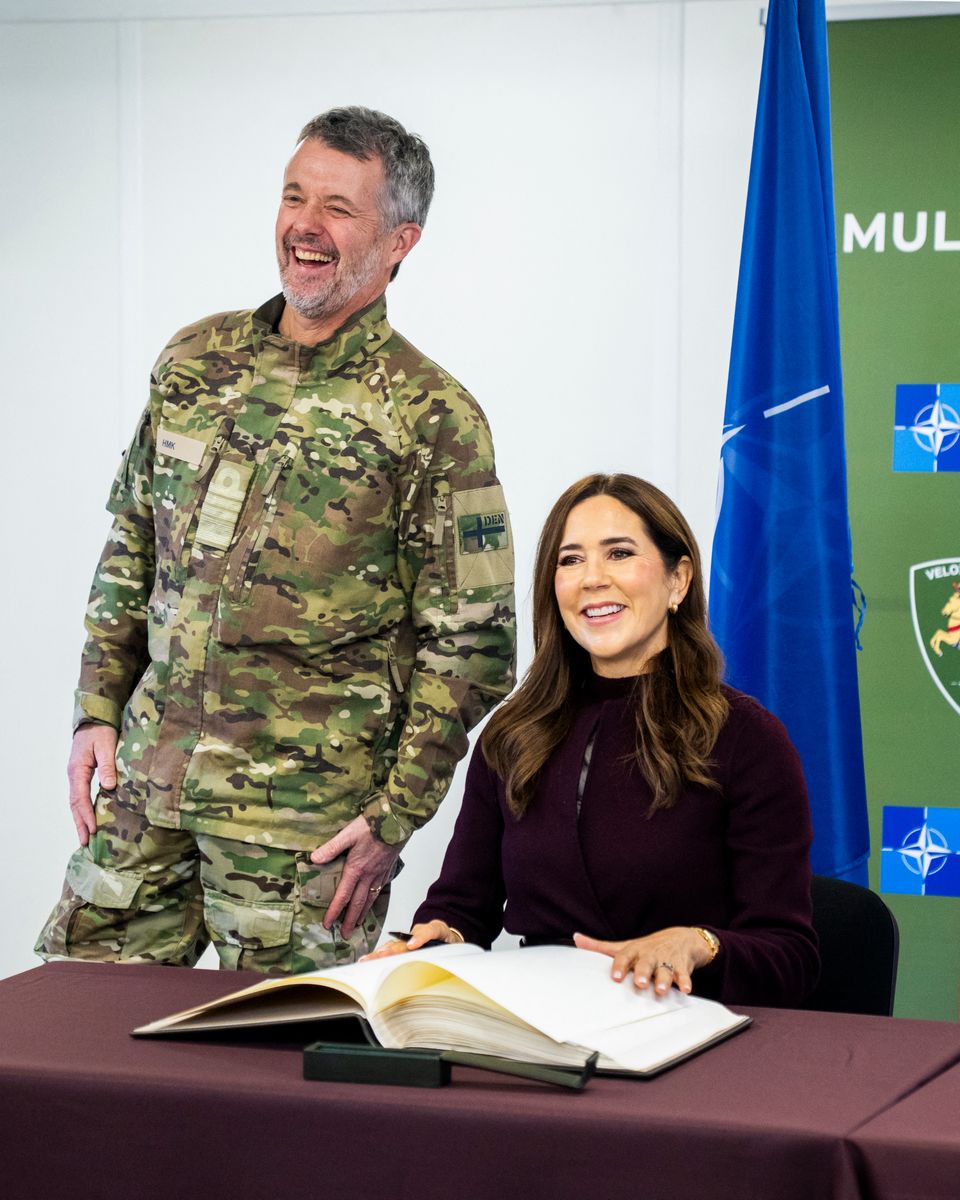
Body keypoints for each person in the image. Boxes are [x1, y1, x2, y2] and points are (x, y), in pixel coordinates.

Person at [37, 106, 516, 974]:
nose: (305, 224)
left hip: (305, 834)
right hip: (146, 791)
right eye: (294, 196)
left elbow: (474, 646)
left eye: (338, 207)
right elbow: (131, 548)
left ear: (401, 240)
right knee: (72, 1050)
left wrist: (394, 816)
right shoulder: (193, 361)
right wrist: (95, 709)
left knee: (273, 1088)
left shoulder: (432, 417)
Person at [368, 474, 819, 1007]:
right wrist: (436, 941)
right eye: (571, 560)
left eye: (620, 553)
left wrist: (700, 944)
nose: (592, 579)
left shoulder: (747, 737)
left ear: (678, 580)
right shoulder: (512, 734)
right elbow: (464, 909)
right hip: (541, 1028)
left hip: (689, 1030)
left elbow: (791, 957)